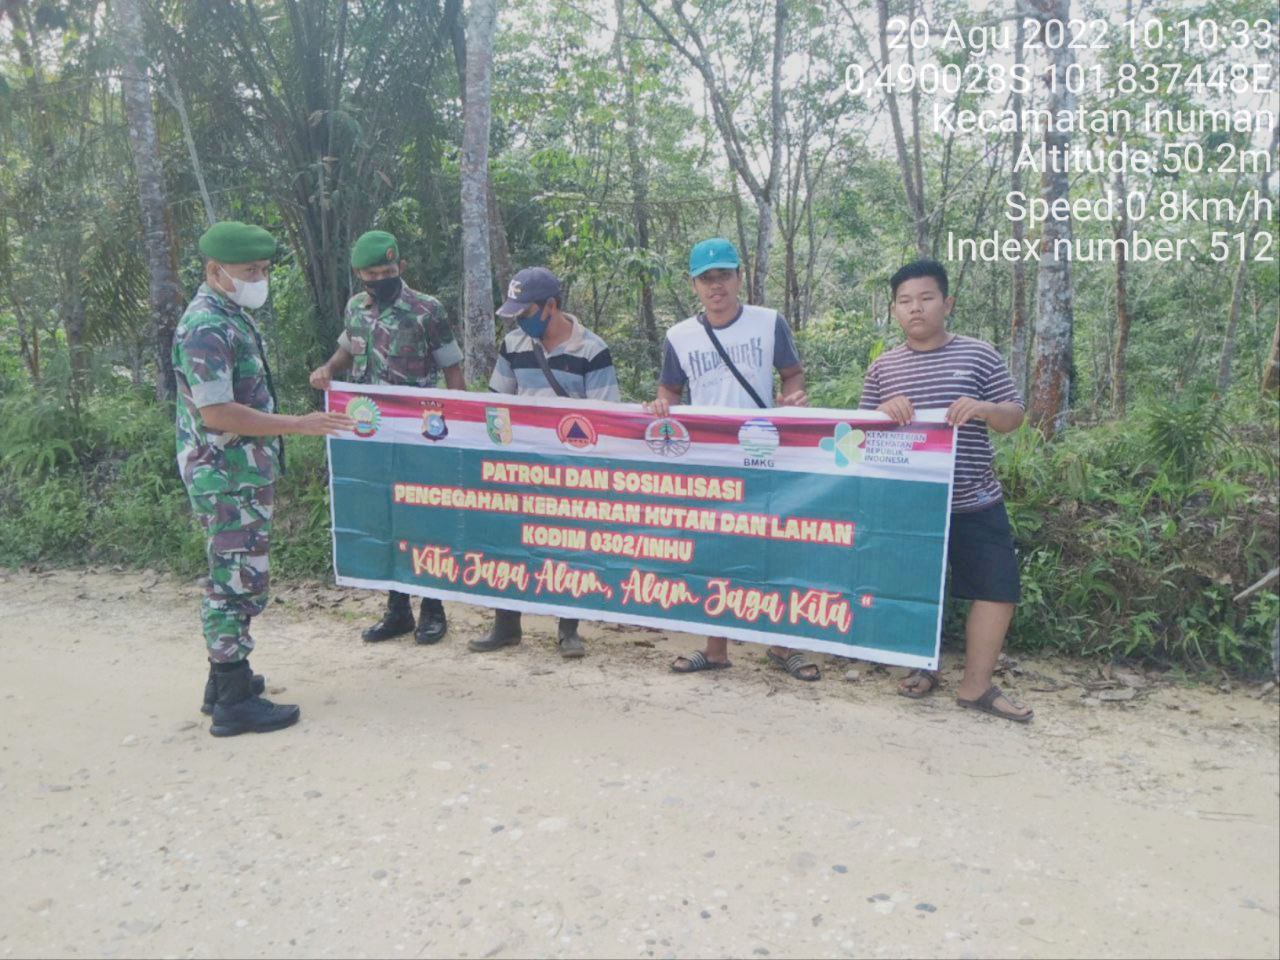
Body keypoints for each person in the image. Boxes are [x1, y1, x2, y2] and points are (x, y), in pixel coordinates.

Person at [174, 221, 354, 737]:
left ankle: (224, 681)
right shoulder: (206, 325)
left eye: (264, 269)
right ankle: (233, 703)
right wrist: (299, 424)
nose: (259, 279)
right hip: (225, 473)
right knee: (235, 581)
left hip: (238, 470)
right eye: (250, 270)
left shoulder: (229, 315)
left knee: (235, 574)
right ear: (216, 270)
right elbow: (216, 412)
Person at [859, 258, 1032, 722]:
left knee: (997, 588)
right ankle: (922, 667)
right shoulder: (883, 368)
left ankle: (976, 686)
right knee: (916, 589)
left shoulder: (979, 355)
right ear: (894, 310)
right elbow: (859, 436)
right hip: (910, 505)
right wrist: (882, 412)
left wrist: (983, 408)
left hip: (975, 499)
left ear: (947, 303)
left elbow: (1014, 416)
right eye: (905, 301)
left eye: (926, 298)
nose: (915, 308)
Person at [647, 238, 820, 682]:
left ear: (739, 278)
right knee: (714, 550)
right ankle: (716, 649)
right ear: (693, 285)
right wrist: (662, 406)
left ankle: (782, 646)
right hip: (709, 459)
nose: (716, 285)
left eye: (723, 275)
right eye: (706, 278)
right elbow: (669, 390)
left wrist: (793, 399)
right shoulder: (679, 336)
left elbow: (792, 374)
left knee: (773, 548)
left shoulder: (768, 322)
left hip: (764, 453)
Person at [309, 230, 466, 646]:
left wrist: (458, 426)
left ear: (401, 267)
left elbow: (452, 369)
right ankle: (397, 610)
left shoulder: (427, 309)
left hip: (421, 436)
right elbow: (348, 350)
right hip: (371, 435)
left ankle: (433, 608)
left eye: (387, 271)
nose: (380, 279)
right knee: (384, 518)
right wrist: (328, 369)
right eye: (372, 274)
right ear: (359, 274)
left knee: (424, 516)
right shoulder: (355, 308)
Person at [473, 266, 621, 658]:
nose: (519, 321)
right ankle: (506, 624)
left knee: (569, 545)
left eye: (525, 313)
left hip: (572, 468)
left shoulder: (592, 349)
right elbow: (497, 403)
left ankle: (568, 629)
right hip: (521, 465)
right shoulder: (513, 344)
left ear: (550, 306)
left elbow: (607, 416)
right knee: (508, 539)